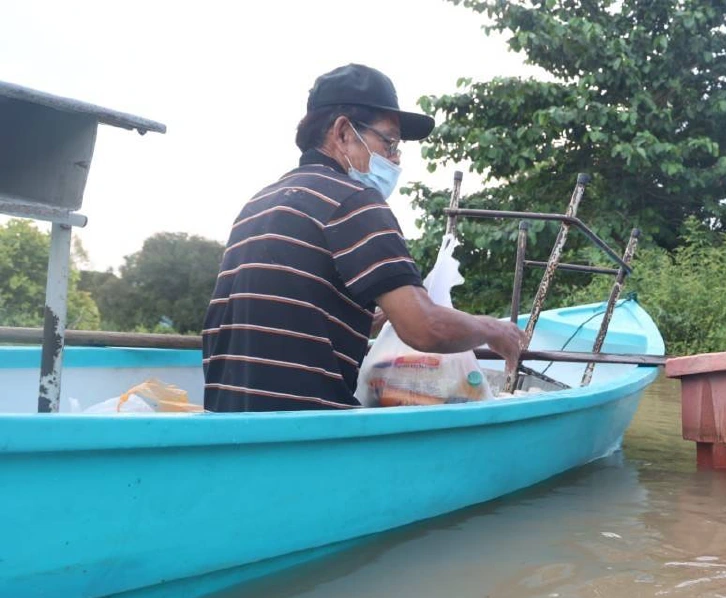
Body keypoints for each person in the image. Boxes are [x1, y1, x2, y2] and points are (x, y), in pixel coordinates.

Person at [203, 64, 523, 412]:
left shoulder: (261, 202)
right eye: (389, 143)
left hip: (227, 424)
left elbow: (291, 311)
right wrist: (493, 329)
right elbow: (425, 328)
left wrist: (373, 314)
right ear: (342, 133)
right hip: (300, 435)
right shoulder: (352, 200)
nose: (395, 159)